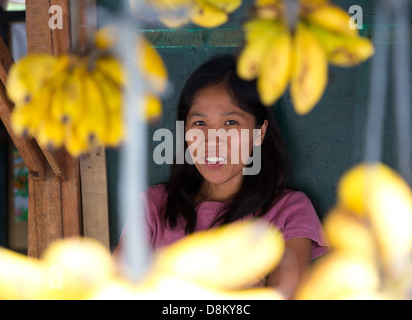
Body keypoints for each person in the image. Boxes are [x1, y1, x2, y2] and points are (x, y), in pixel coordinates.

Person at [115, 55, 329, 298]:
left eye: (230, 122)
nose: (213, 141)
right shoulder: (153, 206)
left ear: (259, 133)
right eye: (200, 123)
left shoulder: (289, 212)